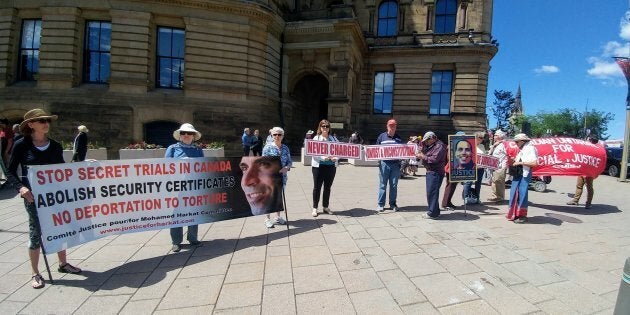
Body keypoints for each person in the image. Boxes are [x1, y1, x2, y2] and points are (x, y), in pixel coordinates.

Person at [8, 108, 82, 289]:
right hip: (33, 197)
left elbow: (62, 170)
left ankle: (63, 264)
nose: (46, 124)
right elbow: (10, 171)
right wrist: (21, 187)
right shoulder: (21, 144)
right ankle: (35, 272)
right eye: (42, 121)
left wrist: (83, 167)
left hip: (55, 196)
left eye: (47, 121)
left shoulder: (55, 145)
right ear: (31, 125)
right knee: (36, 233)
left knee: (60, 226)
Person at [165, 123, 204, 252]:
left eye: (189, 133)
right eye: (183, 133)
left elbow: (203, 168)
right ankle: (176, 241)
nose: (186, 135)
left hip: (193, 187)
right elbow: (164, 167)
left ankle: (193, 238)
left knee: (194, 212)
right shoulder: (172, 149)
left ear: (193, 136)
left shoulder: (198, 150)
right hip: (177, 188)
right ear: (180, 136)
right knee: (176, 214)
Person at [262, 126, 291, 228]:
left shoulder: (285, 148)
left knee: (279, 197)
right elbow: (263, 163)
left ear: (282, 136)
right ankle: (267, 219)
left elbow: (289, 161)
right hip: (270, 177)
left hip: (282, 177)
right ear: (271, 135)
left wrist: (287, 167)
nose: (277, 136)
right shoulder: (267, 147)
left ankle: (278, 217)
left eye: (279, 134)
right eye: (275, 134)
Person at [507, 133, 538, 223]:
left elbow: (535, 163)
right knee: (514, 193)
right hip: (518, 174)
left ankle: (522, 216)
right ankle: (514, 214)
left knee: (522, 194)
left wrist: (520, 163)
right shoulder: (522, 149)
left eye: (516, 142)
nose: (515, 143)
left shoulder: (530, 148)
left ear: (522, 141)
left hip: (524, 174)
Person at [311, 119, 338, 217]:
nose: (325, 128)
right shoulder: (316, 138)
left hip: (331, 167)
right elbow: (313, 153)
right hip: (319, 167)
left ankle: (325, 207)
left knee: (327, 188)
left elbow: (339, 151)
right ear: (320, 127)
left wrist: (336, 158)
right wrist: (323, 157)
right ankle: (315, 208)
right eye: (323, 126)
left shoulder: (334, 139)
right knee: (317, 187)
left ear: (329, 128)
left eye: (327, 126)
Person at [417, 131, 447, 219]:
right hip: (431, 171)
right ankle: (435, 211)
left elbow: (434, 159)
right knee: (432, 192)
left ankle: (432, 213)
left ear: (432, 138)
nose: (426, 142)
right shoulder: (431, 146)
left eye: (427, 140)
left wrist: (423, 156)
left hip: (435, 172)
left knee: (432, 193)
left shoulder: (439, 146)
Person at [566, 135, 599, 209]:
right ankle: (575, 200)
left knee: (589, 187)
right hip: (582, 170)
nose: (586, 140)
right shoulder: (585, 147)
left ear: (590, 140)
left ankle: (588, 203)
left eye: (587, 139)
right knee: (579, 185)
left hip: (589, 172)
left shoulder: (595, 149)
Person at [376, 119, 402, 212]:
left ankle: (393, 204)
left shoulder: (398, 138)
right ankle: (380, 204)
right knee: (382, 185)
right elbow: (376, 149)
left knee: (394, 185)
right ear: (387, 126)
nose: (392, 127)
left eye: (393, 125)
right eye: (390, 125)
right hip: (384, 164)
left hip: (395, 164)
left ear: (396, 127)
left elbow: (402, 151)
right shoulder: (382, 136)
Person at [441, 131, 466, 210]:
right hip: (451, 168)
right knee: (450, 186)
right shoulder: (452, 145)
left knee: (453, 186)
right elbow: (450, 158)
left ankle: (448, 201)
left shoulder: (459, 145)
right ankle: (445, 204)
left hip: (457, 168)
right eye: (462, 137)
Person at [462, 131, 486, 204]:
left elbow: (484, 156)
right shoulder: (469, 145)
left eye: (482, 138)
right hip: (471, 167)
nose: (481, 139)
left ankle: (477, 198)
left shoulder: (482, 146)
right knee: (468, 183)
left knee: (478, 183)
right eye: (480, 138)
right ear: (475, 137)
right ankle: (466, 198)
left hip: (480, 168)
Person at [487, 129, 508, 202]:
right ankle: (494, 196)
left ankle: (500, 198)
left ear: (500, 136)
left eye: (495, 135)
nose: (494, 136)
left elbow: (507, 155)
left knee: (499, 182)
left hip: (500, 166)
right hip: (493, 166)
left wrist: (504, 166)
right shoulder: (495, 144)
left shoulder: (504, 144)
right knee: (494, 181)